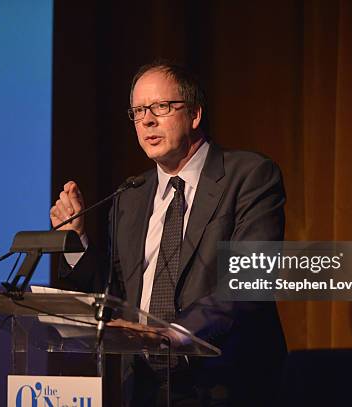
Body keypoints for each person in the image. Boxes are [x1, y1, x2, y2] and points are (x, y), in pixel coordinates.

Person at [50, 61, 287, 406]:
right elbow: (116, 292)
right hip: (146, 387)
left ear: (194, 114)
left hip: (224, 385)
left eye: (161, 107)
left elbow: (248, 280)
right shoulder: (130, 194)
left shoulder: (249, 176)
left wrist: (169, 333)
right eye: (138, 111)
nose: (147, 120)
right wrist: (75, 242)